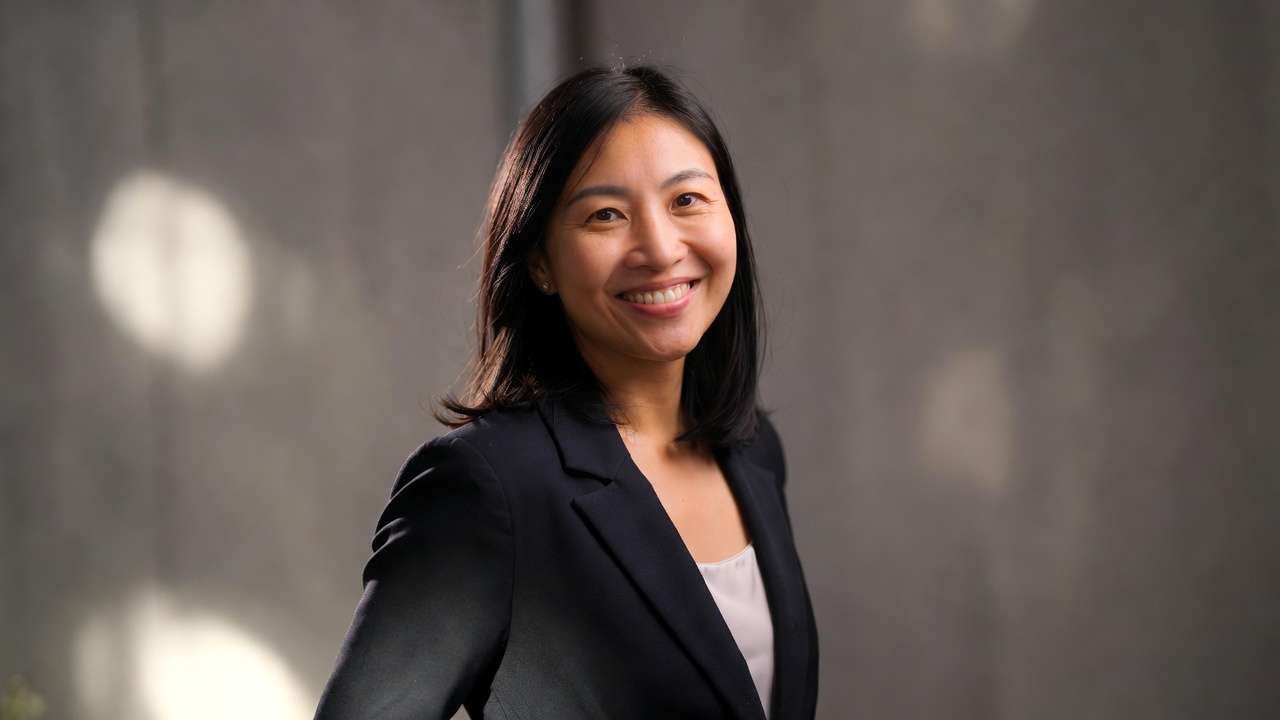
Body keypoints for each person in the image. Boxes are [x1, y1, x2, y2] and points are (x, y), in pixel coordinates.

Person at [313, 64, 819, 720]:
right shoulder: (486, 487)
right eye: (606, 215)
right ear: (541, 263)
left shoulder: (753, 451)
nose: (660, 248)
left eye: (687, 200)